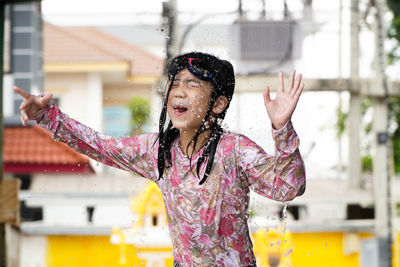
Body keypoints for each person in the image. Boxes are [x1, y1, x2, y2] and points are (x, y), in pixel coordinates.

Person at [15, 51, 306, 267]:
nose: (179, 90)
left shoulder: (235, 150)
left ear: (218, 104)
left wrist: (282, 128)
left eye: (193, 85)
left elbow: (287, 188)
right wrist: (48, 116)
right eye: (176, 82)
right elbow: (100, 146)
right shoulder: (158, 152)